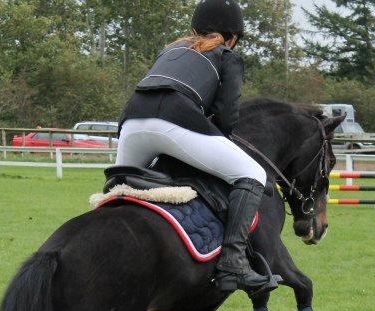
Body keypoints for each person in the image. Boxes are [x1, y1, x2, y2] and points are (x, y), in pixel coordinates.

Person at [115, 0, 274, 294]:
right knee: (253, 174)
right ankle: (233, 263)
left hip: (131, 124)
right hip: (173, 122)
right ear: (233, 36)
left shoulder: (170, 50)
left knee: (117, 190)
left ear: (195, 27)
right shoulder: (226, 56)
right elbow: (226, 116)